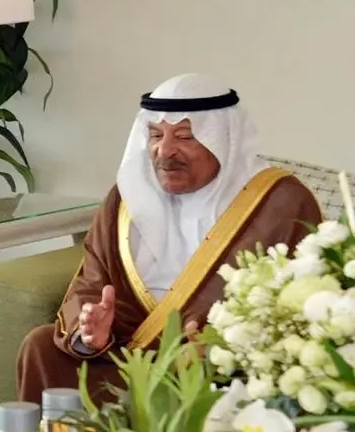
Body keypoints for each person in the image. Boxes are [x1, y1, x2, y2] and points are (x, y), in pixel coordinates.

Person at [16, 73, 322, 404]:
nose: (165, 151)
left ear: (223, 140)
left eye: (185, 137)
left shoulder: (281, 202)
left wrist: (220, 343)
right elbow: (92, 282)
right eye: (155, 135)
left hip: (217, 365)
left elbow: (300, 306)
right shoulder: (127, 198)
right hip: (125, 352)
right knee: (42, 346)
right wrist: (90, 333)